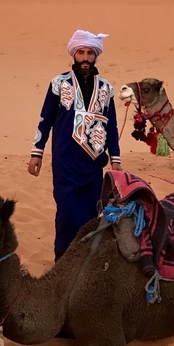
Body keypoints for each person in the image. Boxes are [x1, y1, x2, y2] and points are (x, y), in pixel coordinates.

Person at [28, 29, 121, 261]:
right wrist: (36, 153)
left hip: (93, 164)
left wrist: (116, 159)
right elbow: (45, 119)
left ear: (96, 56)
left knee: (92, 213)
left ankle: (85, 263)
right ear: (74, 54)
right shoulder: (59, 83)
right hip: (65, 161)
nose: (86, 57)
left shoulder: (106, 88)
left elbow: (112, 126)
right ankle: (63, 261)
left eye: (91, 52)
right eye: (81, 52)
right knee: (68, 214)